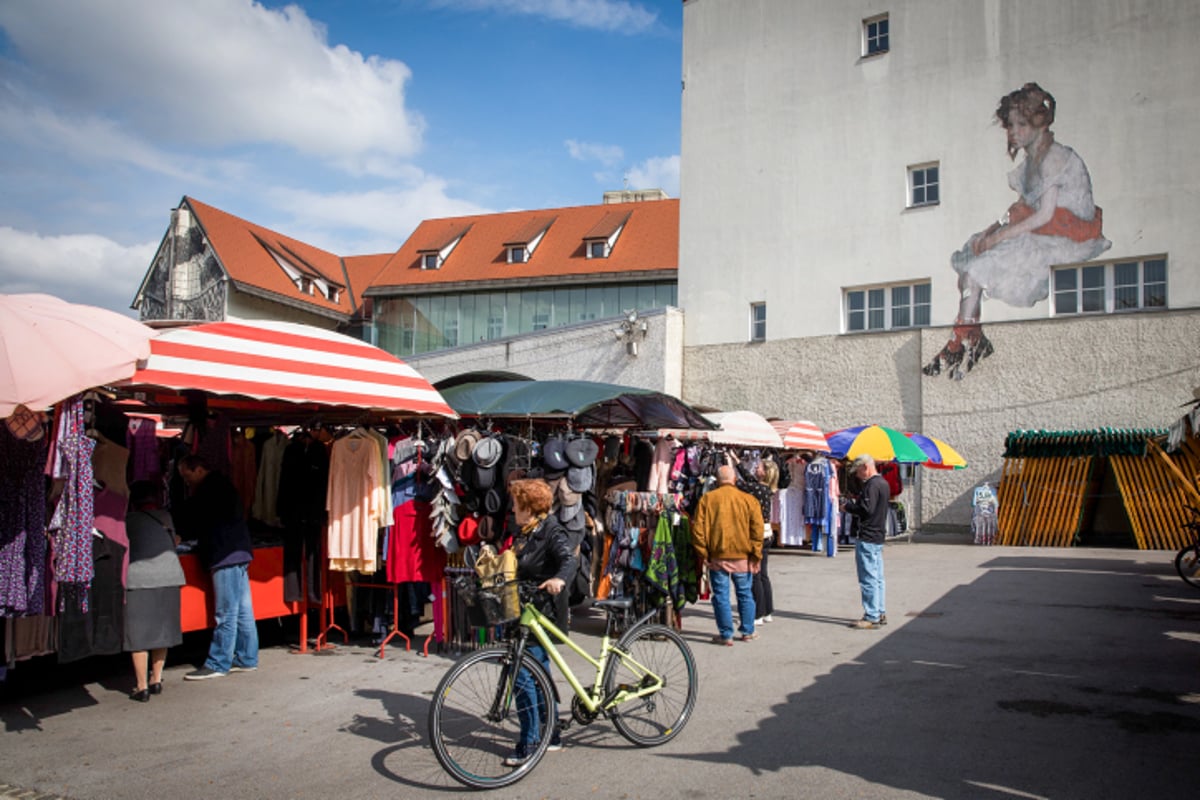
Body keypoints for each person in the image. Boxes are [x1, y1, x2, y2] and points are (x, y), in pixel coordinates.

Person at [924, 82, 1110, 380]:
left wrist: (999, 236)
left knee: (978, 269)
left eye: (1021, 124)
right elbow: (1021, 205)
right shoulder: (1032, 161)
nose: (1014, 132)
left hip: (1065, 235)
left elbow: (1045, 215)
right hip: (1041, 230)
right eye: (1010, 126)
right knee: (971, 253)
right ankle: (967, 336)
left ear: (1038, 122)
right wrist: (992, 229)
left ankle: (963, 339)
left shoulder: (1056, 158)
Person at [505, 478, 576, 767]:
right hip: (523, 609)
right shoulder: (524, 531)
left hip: (541, 611)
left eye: (516, 504)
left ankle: (531, 741)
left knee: (524, 675)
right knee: (539, 674)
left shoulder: (551, 530)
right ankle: (552, 733)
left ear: (529, 507)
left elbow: (568, 560)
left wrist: (559, 579)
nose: (512, 508)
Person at [176, 454, 259, 679]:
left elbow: (197, 519)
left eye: (187, 475)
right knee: (242, 610)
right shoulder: (223, 484)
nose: (186, 480)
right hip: (239, 551)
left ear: (199, 469)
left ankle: (219, 662)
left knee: (227, 612)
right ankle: (246, 657)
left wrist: (182, 534)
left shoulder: (208, 489)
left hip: (224, 554)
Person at [123, 480, 186, 702]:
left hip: (139, 579)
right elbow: (174, 541)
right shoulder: (165, 517)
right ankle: (156, 679)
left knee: (139, 633)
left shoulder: (128, 521)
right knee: (163, 630)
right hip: (169, 576)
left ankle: (141, 687)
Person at [692, 463, 763, 646]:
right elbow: (757, 531)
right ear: (734, 480)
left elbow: (698, 530)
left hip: (717, 555)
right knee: (745, 593)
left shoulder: (708, 499)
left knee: (721, 595)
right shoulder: (749, 500)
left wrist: (704, 553)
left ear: (717, 480)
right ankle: (747, 631)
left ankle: (726, 635)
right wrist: (756, 555)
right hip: (743, 556)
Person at [841, 455, 889, 629]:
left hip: (868, 535)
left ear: (865, 467)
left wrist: (848, 507)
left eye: (858, 471)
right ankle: (880, 610)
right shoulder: (883, 483)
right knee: (877, 577)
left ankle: (871, 615)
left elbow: (866, 509)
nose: (858, 475)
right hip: (877, 535)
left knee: (868, 577)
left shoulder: (871, 485)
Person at [737, 459, 776, 626]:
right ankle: (767, 611)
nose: (755, 468)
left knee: (755, 575)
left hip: (758, 534)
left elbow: (740, 483)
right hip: (767, 533)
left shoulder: (758, 489)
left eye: (758, 467)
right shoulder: (765, 488)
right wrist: (737, 461)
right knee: (763, 575)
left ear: (764, 472)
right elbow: (748, 479)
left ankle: (757, 614)